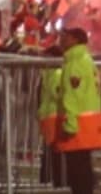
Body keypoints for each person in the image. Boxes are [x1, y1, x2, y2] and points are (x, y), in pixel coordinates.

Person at [55, 27, 101, 194]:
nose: (61, 39)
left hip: (77, 127)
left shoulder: (75, 63)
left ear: (75, 40)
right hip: (88, 125)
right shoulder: (87, 60)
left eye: (65, 36)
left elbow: (72, 96)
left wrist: (69, 125)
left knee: (77, 173)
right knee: (84, 169)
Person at [37, 46, 63, 185]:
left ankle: (52, 182)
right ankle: (52, 182)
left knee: (52, 155)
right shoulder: (49, 74)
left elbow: (57, 95)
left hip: (53, 118)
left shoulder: (56, 74)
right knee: (51, 154)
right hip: (50, 117)